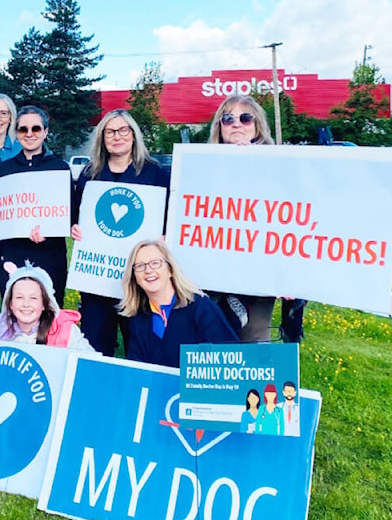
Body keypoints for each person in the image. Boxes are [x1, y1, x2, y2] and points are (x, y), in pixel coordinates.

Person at [71, 109, 170, 357]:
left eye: (123, 130)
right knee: (96, 345)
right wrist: (74, 227)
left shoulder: (155, 174)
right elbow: (75, 214)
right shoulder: (88, 175)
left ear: (134, 135)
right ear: (102, 137)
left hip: (140, 279)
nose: (117, 136)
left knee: (141, 345)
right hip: (97, 279)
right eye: (110, 131)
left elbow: (169, 219)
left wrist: (164, 237)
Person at [206, 95, 286, 343]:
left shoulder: (278, 166)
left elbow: (290, 220)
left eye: (245, 118)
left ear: (257, 125)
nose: (237, 124)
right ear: (219, 126)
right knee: (209, 338)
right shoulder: (202, 165)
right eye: (228, 119)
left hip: (259, 274)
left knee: (253, 342)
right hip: (212, 272)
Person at [118, 239, 238, 369]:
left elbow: (231, 359)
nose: (148, 270)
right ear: (135, 277)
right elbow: (136, 372)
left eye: (155, 263)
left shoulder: (200, 307)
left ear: (170, 270)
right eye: (140, 266)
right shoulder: (138, 320)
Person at [0, 106, 70, 306]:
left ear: (45, 132)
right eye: (23, 129)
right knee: (15, 314)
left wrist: (50, 233)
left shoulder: (60, 169)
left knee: (50, 314)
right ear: (16, 133)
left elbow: (70, 214)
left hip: (50, 255)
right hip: (13, 253)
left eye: (35, 129)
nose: (29, 134)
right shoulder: (3, 170)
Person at [0, 263, 94, 351]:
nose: (26, 304)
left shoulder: (66, 332)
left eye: (33, 298)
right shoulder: (4, 335)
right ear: (10, 304)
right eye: (19, 297)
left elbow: (90, 363)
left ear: (44, 304)